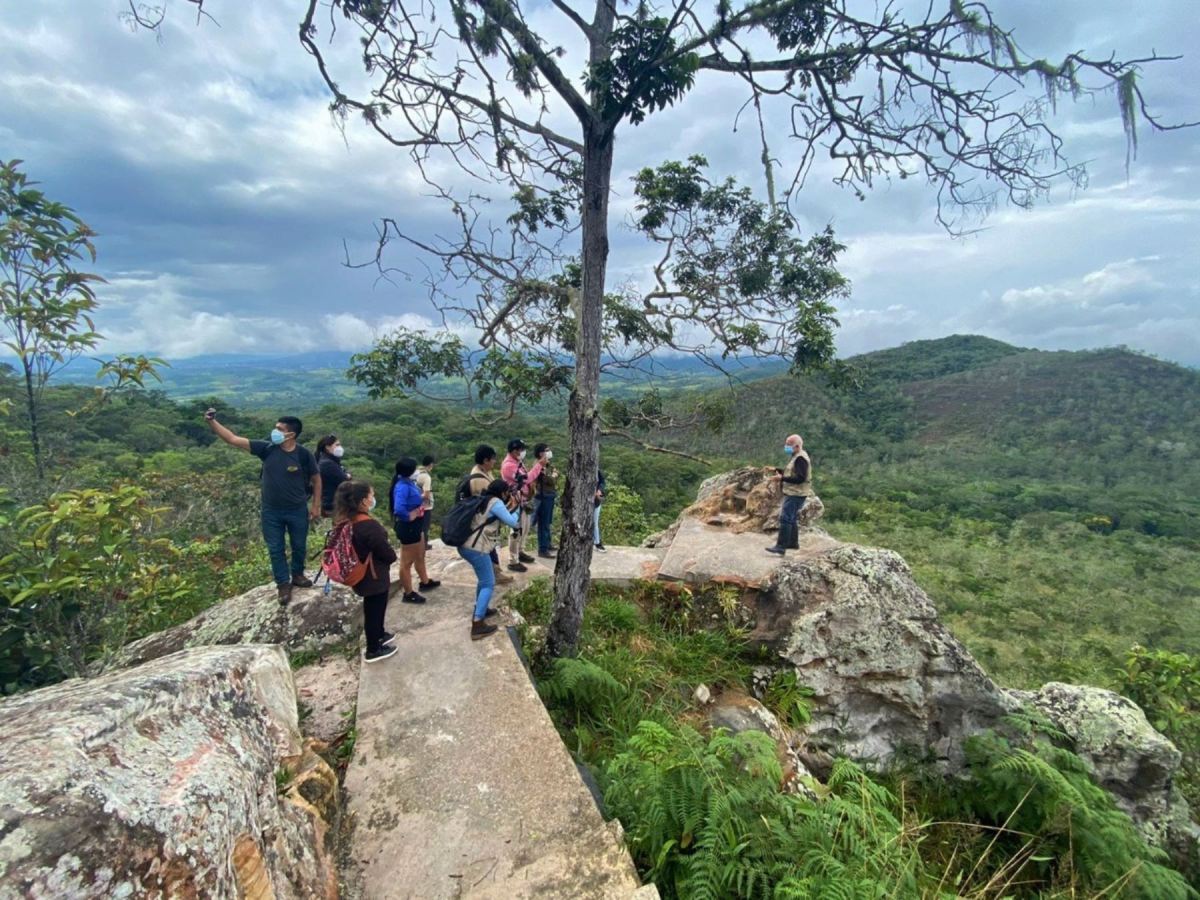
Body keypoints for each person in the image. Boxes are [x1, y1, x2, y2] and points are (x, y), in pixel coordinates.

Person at [205, 409, 320, 605]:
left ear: (291, 434)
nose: (274, 431)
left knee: (299, 545)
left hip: (297, 509)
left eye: (279, 429)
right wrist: (212, 422)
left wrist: (316, 505)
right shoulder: (266, 449)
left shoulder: (303, 455)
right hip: (271, 511)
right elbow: (232, 439)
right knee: (276, 548)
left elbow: (317, 480)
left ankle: (298, 575)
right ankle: (283, 584)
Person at [333, 479, 398, 663]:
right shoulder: (368, 526)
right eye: (371, 495)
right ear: (362, 501)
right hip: (374, 575)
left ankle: (379, 634)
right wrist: (391, 557)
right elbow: (384, 550)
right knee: (374, 609)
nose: (373, 498)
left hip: (362, 574)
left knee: (374, 607)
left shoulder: (347, 520)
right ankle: (373, 649)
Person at [457, 478, 521, 640]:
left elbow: (496, 516)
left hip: (466, 544)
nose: (508, 495)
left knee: (483, 580)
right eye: (507, 492)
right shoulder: (496, 503)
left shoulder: (484, 499)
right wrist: (519, 507)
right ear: (503, 492)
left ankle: (482, 609)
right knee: (488, 582)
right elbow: (513, 522)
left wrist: (512, 506)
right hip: (476, 548)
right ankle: (477, 624)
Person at [390, 457, 441, 603]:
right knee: (406, 562)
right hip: (409, 528)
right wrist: (409, 516)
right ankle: (408, 593)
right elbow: (398, 508)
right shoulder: (402, 486)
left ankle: (425, 581)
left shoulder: (407, 482)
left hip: (416, 525)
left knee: (420, 554)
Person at [464, 444, 514, 585]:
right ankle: (494, 575)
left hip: (483, 523)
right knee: (488, 548)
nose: (494, 462)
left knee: (490, 548)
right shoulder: (479, 478)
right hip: (483, 524)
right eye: (492, 459)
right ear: (486, 460)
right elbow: (489, 501)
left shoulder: (483, 471)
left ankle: (494, 573)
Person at [766, 434, 814, 556]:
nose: (786, 447)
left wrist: (781, 478)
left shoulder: (800, 459)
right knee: (791, 518)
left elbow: (800, 478)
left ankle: (781, 547)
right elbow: (793, 472)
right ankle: (793, 543)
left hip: (796, 493)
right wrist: (778, 470)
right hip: (797, 493)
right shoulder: (797, 456)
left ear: (797, 446)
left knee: (786, 518)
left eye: (789, 445)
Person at [500, 438, 543, 571]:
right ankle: (513, 560)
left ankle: (520, 551)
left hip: (524, 500)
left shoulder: (517, 462)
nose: (523, 452)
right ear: (514, 451)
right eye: (521, 450)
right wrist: (539, 465)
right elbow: (526, 479)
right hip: (515, 502)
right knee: (516, 531)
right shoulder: (508, 466)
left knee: (525, 528)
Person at [530, 442, 558, 558]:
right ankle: (543, 549)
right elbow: (550, 480)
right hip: (543, 497)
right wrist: (554, 475)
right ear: (541, 453)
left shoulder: (547, 464)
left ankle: (547, 543)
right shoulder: (539, 466)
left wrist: (554, 475)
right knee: (544, 523)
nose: (549, 451)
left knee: (547, 522)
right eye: (547, 450)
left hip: (549, 496)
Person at [315, 434, 351, 517]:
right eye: (337, 445)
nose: (340, 447)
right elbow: (344, 480)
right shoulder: (327, 464)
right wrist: (347, 476)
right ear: (327, 447)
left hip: (335, 503)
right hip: (333, 505)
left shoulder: (332, 461)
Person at [415, 454, 436, 549]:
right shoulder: (426, 477)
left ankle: (416, 543)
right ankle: (424, 544)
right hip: (425, 506)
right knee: (425, 526)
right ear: (431, 464)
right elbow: (426, 493)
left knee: (417, 525)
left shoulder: (416, 472)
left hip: (414, 505)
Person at [593, 468, 607, 552]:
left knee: (595, 523)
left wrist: (599, 490)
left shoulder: (597, 470)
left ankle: (597, 543)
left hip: (596, 501)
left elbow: (602, 482)